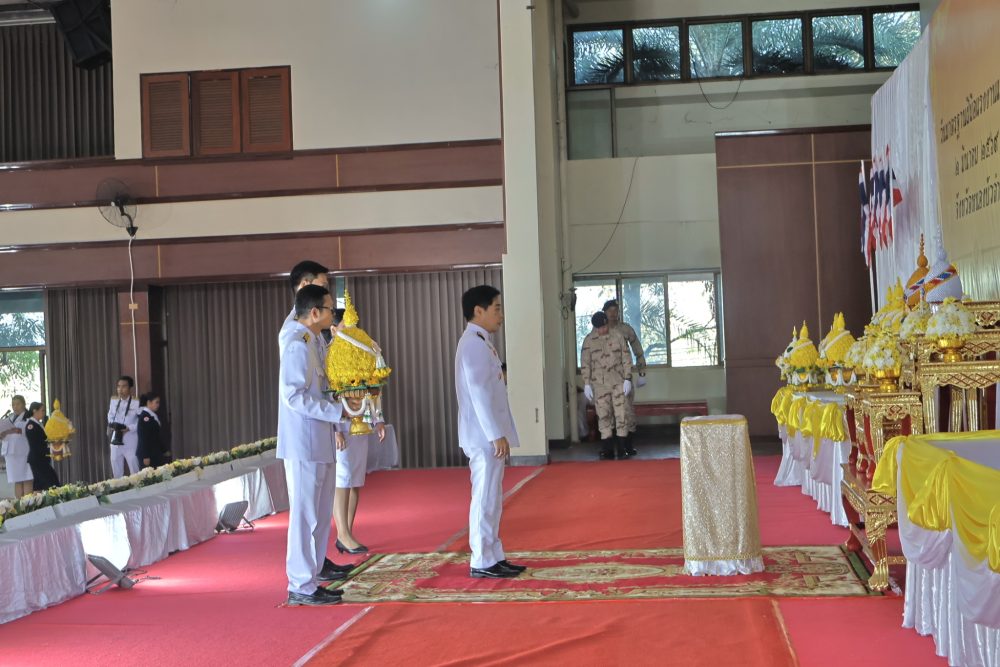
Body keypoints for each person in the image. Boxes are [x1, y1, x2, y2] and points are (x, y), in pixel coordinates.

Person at [278, 284, 351, 606]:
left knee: (320, 516)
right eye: (330, 308)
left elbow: (320, 388)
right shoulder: (297, 344)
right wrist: (336, 411)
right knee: (305, 516)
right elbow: (293, 396)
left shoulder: (314, 340)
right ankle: (300, 584)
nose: (333, 314)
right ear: (314, 312)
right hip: (303, 441)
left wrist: (340, 409)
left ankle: (313, 576)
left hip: (319, 438)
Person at [455, 285, 525, 579]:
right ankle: (482, 559)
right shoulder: (473, 344)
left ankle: (493, 554)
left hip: (488, 433)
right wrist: (495, 434)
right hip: (483, 435)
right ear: (478, 311)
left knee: (493, 497)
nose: (501, 315)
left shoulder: (482, 341)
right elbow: (479, 393)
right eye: (496, 308)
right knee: (485, 497)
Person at [331, 307, 386, 555]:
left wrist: (378, 420)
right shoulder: (330, 355)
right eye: (346, 327)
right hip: (341, 427)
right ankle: (342, 533)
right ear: (335, 329)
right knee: (342, 479)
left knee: (355, 481)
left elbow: (373, 389)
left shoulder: (362, 351)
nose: (351, 332)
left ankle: (348, 532)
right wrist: (335, 429)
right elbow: (329, 397)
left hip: (361, 425)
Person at [581, 310, 634, 460]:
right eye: (600, 328)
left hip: (618, 382)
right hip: (600, 385)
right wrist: (586, 383)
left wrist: (628, 378)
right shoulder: (589, 341)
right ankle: (607, 450)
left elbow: (626, 358)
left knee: (621, 414)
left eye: (605, 326)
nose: (603, 330)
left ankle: (622, 449)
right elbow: (585, 363)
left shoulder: (618, 336)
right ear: (595, 327)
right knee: (604, 415)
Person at [603, 299, 646, 457]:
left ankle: (628, 445)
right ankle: (609, 448)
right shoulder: (600, 330)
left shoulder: (625, 329)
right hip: (605, 379)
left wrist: (642, 372)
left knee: (627, 411)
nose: (613, 314)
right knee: (607, 412)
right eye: (610, 311)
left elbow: (638, 350)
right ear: (605, 312)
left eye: (615, 310)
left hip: (623, 378)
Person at [278, 260, 331, 352]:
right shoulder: (293, 329)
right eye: (322, 287)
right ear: (304, 285)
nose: (325, 292)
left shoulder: (312, 321)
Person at [107, 375, 141, 478]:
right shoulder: (114, 400)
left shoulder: (136, 402)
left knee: (133, 463)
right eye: (118, 386)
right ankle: (119, 485)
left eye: (124, 386)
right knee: (115, 461)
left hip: (130, 437)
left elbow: (140, 423)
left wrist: (129, 428)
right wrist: (113, 424)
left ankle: (138, 484)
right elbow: (110, 415)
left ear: (130, 388)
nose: (120, 389)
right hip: (116, 436)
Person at [1, 395, 33, 497]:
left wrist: (16, 430)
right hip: (11, 453)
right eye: (13, 404)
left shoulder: (28, 417)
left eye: (18, 404)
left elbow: (30, 432)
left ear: (24, 404)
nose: (15, 407)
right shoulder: (10, 418)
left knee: (27, 478)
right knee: (17, 479)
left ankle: (28, 503)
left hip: (23, 452)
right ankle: (19, 503)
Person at [24, 402, 60, 491]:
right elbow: (36, 444)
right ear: (34, 411)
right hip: (38, 458)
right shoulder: (31, 425)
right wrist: (49, 447)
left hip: (41, 458)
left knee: (42, 484)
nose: (44, 413)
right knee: (50, 482)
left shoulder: (38, 424)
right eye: (42, 410)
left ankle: (39, 499)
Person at [136, 392, 168, 468]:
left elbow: (156, 436)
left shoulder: (152, 415)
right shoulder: (145, 417)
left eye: (158, 402)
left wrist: (164, 450)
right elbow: (143, 437)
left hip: (154, 452)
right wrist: (145, 456)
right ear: (149, 402)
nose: (158, 405)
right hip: (148, 454)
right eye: (156, 402)